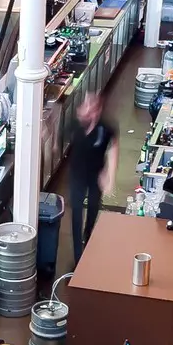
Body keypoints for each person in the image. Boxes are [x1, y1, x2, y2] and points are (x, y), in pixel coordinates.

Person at [66, 93, 116, 261]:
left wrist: (109, 174)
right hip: (77, 175)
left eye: (92, 108)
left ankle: (88, 238)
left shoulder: (104, 129)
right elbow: (59, 142)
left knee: (94, 207)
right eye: (86, 107)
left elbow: (114, 147)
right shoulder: (75, 126)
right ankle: (78, 254)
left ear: (98, 111)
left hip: (95, 174)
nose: (88, 112)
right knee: (77, 212)